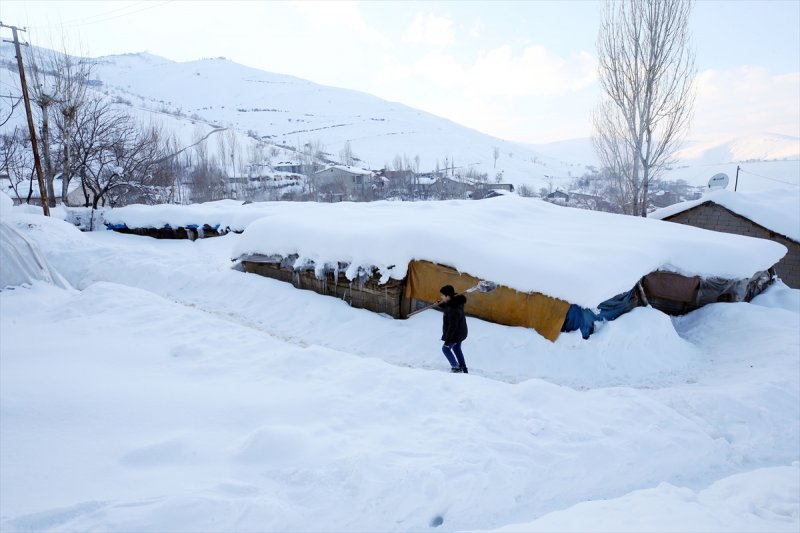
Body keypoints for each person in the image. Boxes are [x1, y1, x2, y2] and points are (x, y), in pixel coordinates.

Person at [438, 284, 469, 373]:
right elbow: (449, 307)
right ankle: (463, 368)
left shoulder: (452, 309)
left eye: (443, 295)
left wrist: (447, 342)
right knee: (456, 348)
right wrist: (441, 305)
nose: (441, 297)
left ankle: (456, 368)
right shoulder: (456, 302)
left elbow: (452, 327)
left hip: (456, 333)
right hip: (461, 332)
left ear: (448, 296)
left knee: (445, 349)